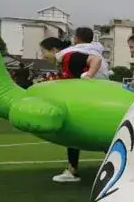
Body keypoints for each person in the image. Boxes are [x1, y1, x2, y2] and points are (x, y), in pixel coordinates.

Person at [40, 36, 104, 183]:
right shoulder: (64, 61)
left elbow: (96, 60)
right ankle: (72, 170)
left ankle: (74, 170)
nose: (43, 56)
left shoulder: (70, 56)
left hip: (95, 102)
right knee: (72, 136)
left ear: (54, 50)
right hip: (89, 101)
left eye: (44, 51)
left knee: (98, 136)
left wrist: (88, 76)